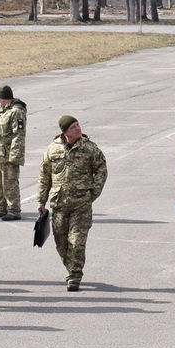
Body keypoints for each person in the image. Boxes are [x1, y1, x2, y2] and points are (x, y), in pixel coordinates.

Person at [37, 116, 108, 291]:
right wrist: (41, 200)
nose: (78, 128)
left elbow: (101, 170)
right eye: (73, 127)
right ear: (65, 132)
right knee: (61, 242)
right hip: (59, 204)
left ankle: (74, 275)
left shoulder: (89, 148)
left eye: (78, 125)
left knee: (76, 242)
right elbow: (44, 175)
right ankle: (71, 266)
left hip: (81, 204)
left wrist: (93, 192)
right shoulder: (52, 149)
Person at [0, 85, 26, 220]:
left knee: (10, 184)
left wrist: (14, 155)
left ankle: (14, 210)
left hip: (8, 155)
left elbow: (19, 134)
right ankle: (1, 208)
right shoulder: (3, 110)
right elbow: (3, 129)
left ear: (5, 99)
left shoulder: (17, 112)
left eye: (0, 99)